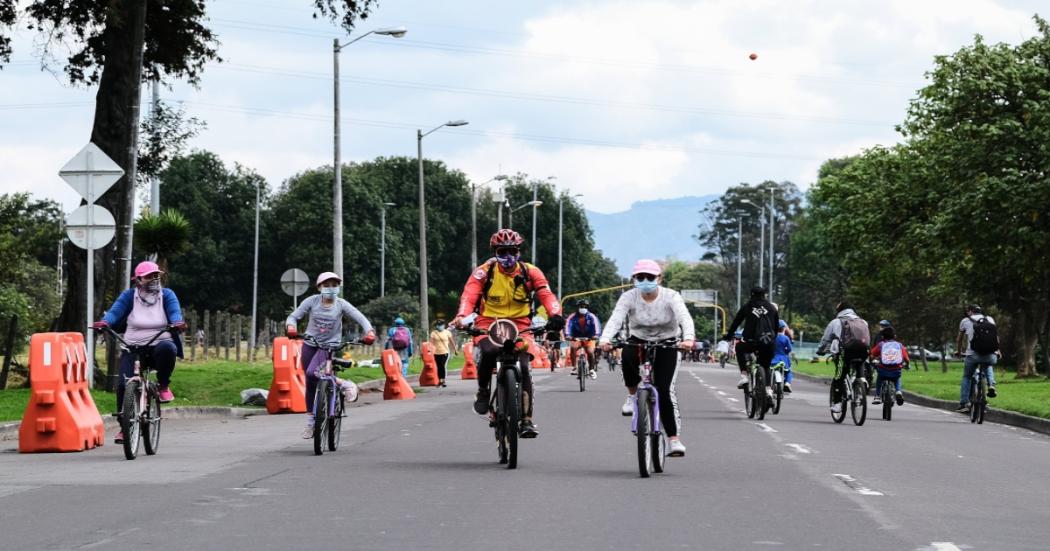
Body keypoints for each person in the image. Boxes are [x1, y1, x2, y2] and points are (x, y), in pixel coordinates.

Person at [451, 229, 563, 438]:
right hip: (489, 324)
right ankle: (483, 391)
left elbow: (546, 294)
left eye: (513, 251)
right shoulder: (484, 272)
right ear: (495, 252)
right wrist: (462, 316)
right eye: (503, 252)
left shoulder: (531, 272)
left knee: (523, 366)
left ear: (519, 252)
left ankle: (527, 420)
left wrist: (555, 314)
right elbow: (469, 295)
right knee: (489, 352)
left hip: (521, 326)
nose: (508, 257)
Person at [599, 259, 695, 457]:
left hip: (668, 342)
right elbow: (616, 318)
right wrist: (605, 339)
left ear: (659, 278)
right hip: (639, 339)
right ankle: (632, 395)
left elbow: (685, 317)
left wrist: (688, 339)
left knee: (664, 390)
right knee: (626, 355)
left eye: (650, 277)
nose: (645, 281)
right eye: (640, 277)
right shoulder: (629, 296)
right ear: (634, 279)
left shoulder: (671, 296)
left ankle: (673, 440)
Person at [94, 261, 186, 444]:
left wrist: (177, 322)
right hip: (133, 347)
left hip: (159, 344)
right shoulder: (129, 296)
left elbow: (175, 312)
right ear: (138, 280)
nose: (154, 279)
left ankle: (163, 385)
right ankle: (124, 426)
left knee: (169, 348)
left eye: (156, 275)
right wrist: (105, 323)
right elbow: (115, 312)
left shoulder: (166, 295)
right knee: (122, 385)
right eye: (149, 276)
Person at [286, 272, 376, 439]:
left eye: (334, 285)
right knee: (311, 382)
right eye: (326, 285)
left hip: (329, 346)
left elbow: (360, 317)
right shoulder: (311, 301)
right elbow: (293, 316)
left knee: (312, 373)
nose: (331, 289)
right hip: (310, 343)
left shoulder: (341, 304)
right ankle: (311, 422)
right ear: (319, 287)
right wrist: (291, 327)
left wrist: (369, 332)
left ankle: (344, 384)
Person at [724, 287, 780, 402]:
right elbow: (776, 327)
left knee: (739, 347)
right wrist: (772, 340)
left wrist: (729, 336)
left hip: (751, 342)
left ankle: (744, 376)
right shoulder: (772, 308)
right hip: (768, 342)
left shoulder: (748, 307)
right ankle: (768, 390)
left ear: (752, 295)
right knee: (766, 365)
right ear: (764, 295)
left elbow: (736, 322)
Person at [816, 301, 871, 414]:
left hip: (844, 353)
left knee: (839, 376)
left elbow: (825, 339)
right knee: (859, 363)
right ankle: (862, 380)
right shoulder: (863, 321)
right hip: (863, 352)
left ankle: (837, 404)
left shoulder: (836, 322)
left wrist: (820, 351)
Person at [955, 304, 999, 412]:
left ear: (970, 312)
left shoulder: (965, 321)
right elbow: (995, 338)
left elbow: (959, 339)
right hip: (990, 353)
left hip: (972, 355)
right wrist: (998, 351)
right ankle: (991, 384)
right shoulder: (989, 319)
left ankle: (964, 403)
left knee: (967, 377)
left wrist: (959, 352)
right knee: (988, 364)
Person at [870, 326, 909, 405]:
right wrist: (907, 365)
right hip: (896, 370)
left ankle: (877, 396)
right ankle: (898, 391)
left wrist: (872, 361)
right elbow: (906, 358)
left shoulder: (881, 344)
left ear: (883, 337)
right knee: (897, 378)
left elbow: (872, 354)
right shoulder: (899, 345)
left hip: (883, 370)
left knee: (879, 379)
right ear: (895, 336)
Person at [566, 299, 602, 379]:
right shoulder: (572, 317)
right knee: (573, 348)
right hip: (576, 338)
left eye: (585, 306)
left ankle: (591, 370)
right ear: (577, 307)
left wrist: (596, 335)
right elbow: (568, 325)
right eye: (581, 306)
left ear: (587, 307)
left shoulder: (592, 316)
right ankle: (574, 367)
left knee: (590, 352)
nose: (583, 308)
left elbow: (597, 327)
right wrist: (568, 335)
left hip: (589, 338)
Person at [429, 318, 457, 387]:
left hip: (445, 352)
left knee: (443, 366)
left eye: (441, 325)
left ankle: (443, 380)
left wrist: (455, 350)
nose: (440, 326)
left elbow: (452, 342)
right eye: (438, 325)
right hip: (436, 353)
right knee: (439, 367)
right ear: (436, 325)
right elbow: (431, 343)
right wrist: (430, 351)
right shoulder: (433, 333)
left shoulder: (447, 332)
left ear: (444, 325)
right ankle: (440, 380)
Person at [772, 320, 793, 393]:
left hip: (773, 358)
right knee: (789, 371)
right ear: (784, 329)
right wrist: (786, 351)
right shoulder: (786, 338)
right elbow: (789, 349)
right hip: (783, 358)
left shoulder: (773, 337)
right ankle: (787, 383)